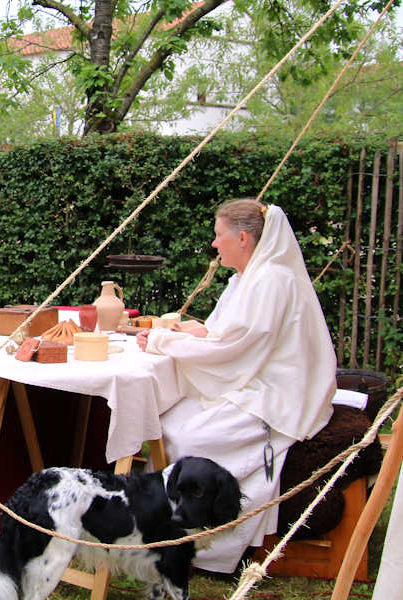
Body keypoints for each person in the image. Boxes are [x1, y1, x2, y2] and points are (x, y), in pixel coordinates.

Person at [136, 198, 336, 573]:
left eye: (219, 235)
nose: (214, 244)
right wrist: (188, 332)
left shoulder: (272, 280)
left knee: (190, 437)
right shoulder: (246, 278)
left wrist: (164, 341)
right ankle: (161, 525)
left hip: (276, 394)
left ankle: (202, 541)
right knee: (169, 421)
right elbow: (224, 333)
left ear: (242, 238)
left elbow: (236, 347)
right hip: (250, 378)